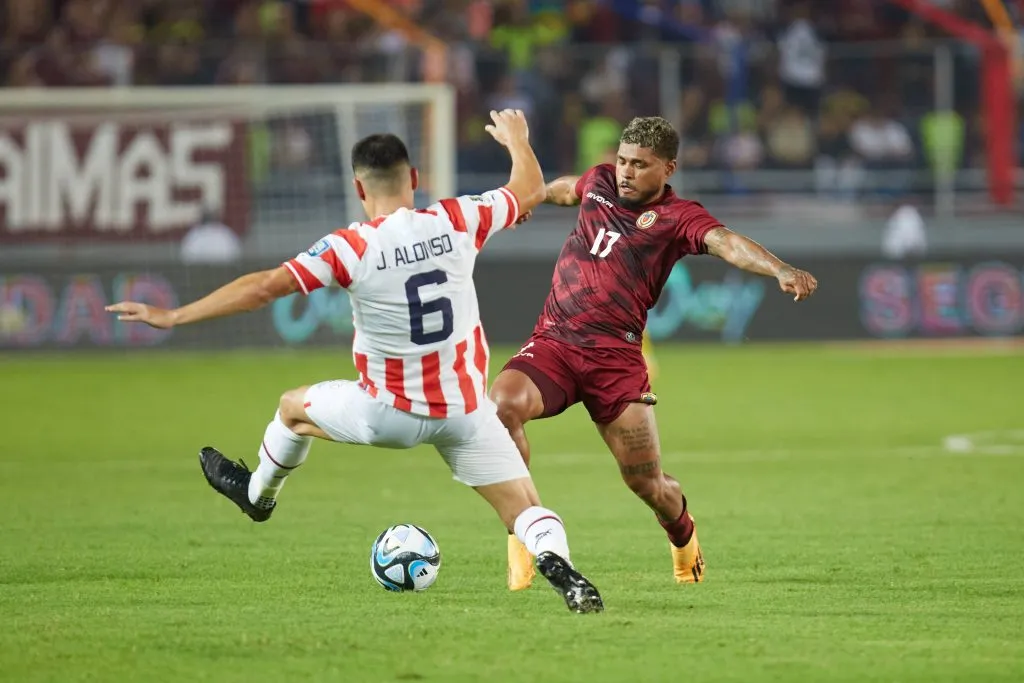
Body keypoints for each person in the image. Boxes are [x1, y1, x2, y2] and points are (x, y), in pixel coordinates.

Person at [105, 111, 604, 614]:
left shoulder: (350, 247)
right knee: (525, 508)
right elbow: (531, 187)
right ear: (414, 180)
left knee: (292, 409)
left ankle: (257, 495)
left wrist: (173, 315)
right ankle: (565, 571)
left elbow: (261, 288)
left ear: (359, 190)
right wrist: (517, 139)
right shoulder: (458, 219)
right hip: (463, 412)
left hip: (385, 413)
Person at [492, 116, 819, 591]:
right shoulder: (600, 182)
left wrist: (778, 269)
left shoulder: (679, 217)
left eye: (640, 165)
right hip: (555, 343)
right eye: (622, 160)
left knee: (648, 485)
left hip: (616, 362)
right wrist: (532, 197)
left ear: (667, 168)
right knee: (500, 407)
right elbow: (566, 189)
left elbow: (726, 242)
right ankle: (523, 534)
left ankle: (684, 537)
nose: (625, 171)